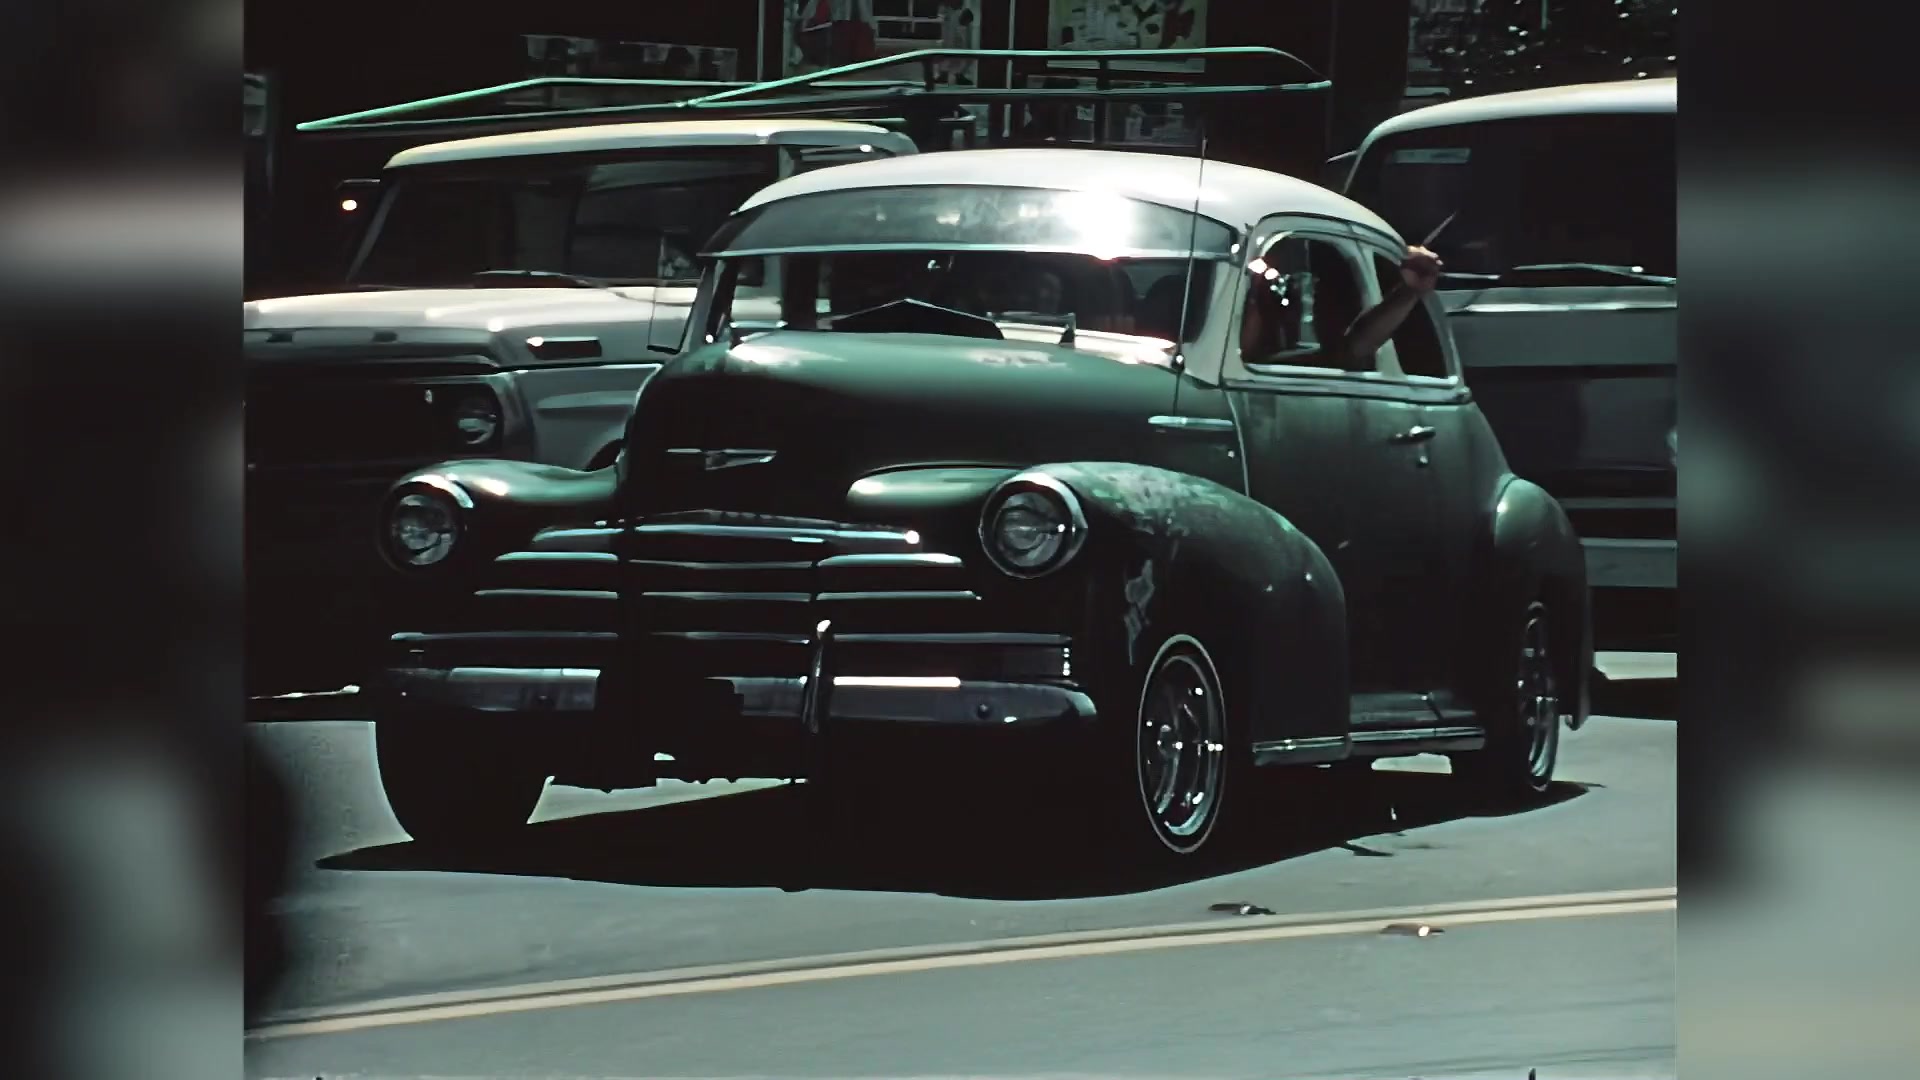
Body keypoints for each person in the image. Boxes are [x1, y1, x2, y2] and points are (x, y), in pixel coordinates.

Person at [1240, 243, 1442, 370]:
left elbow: (1352, 349)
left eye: (1319, 292)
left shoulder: (1301, 367)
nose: (1315, 304)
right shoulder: (1268, 366)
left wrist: (1409, 292)